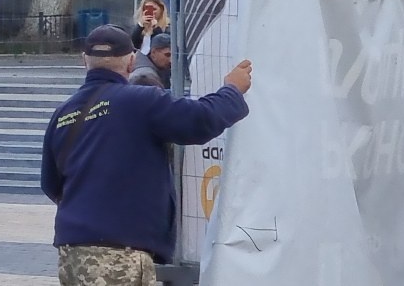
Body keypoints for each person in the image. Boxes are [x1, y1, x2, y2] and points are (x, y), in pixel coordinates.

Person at [42, 25, 252, 285]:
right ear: (131, 61)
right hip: (120, 252)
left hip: (72, 248)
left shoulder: (63, 113)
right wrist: (232, 90)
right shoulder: (140, 101)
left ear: (84, 60)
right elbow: (200, 120)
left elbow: (51, 184)